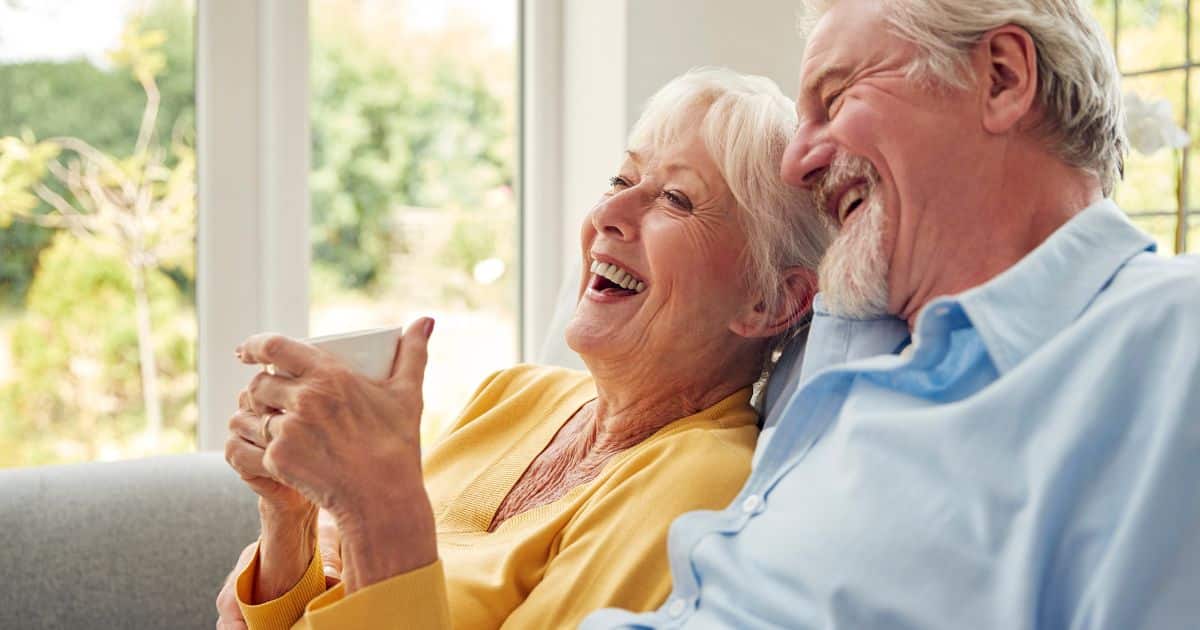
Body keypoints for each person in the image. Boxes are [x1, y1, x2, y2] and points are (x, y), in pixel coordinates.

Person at [582, 1, 1200, 628]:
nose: (797, 165)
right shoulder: (854, 337)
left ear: (1004, 78)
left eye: (837, 98)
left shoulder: (1168, 339)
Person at [215, 67, 834, 629]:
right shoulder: (515, 393)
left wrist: (379, 505)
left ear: (770, 303)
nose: (608, 213)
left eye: (676, 199)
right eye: (621, 178)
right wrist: (290, 512)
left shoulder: (703, 480)